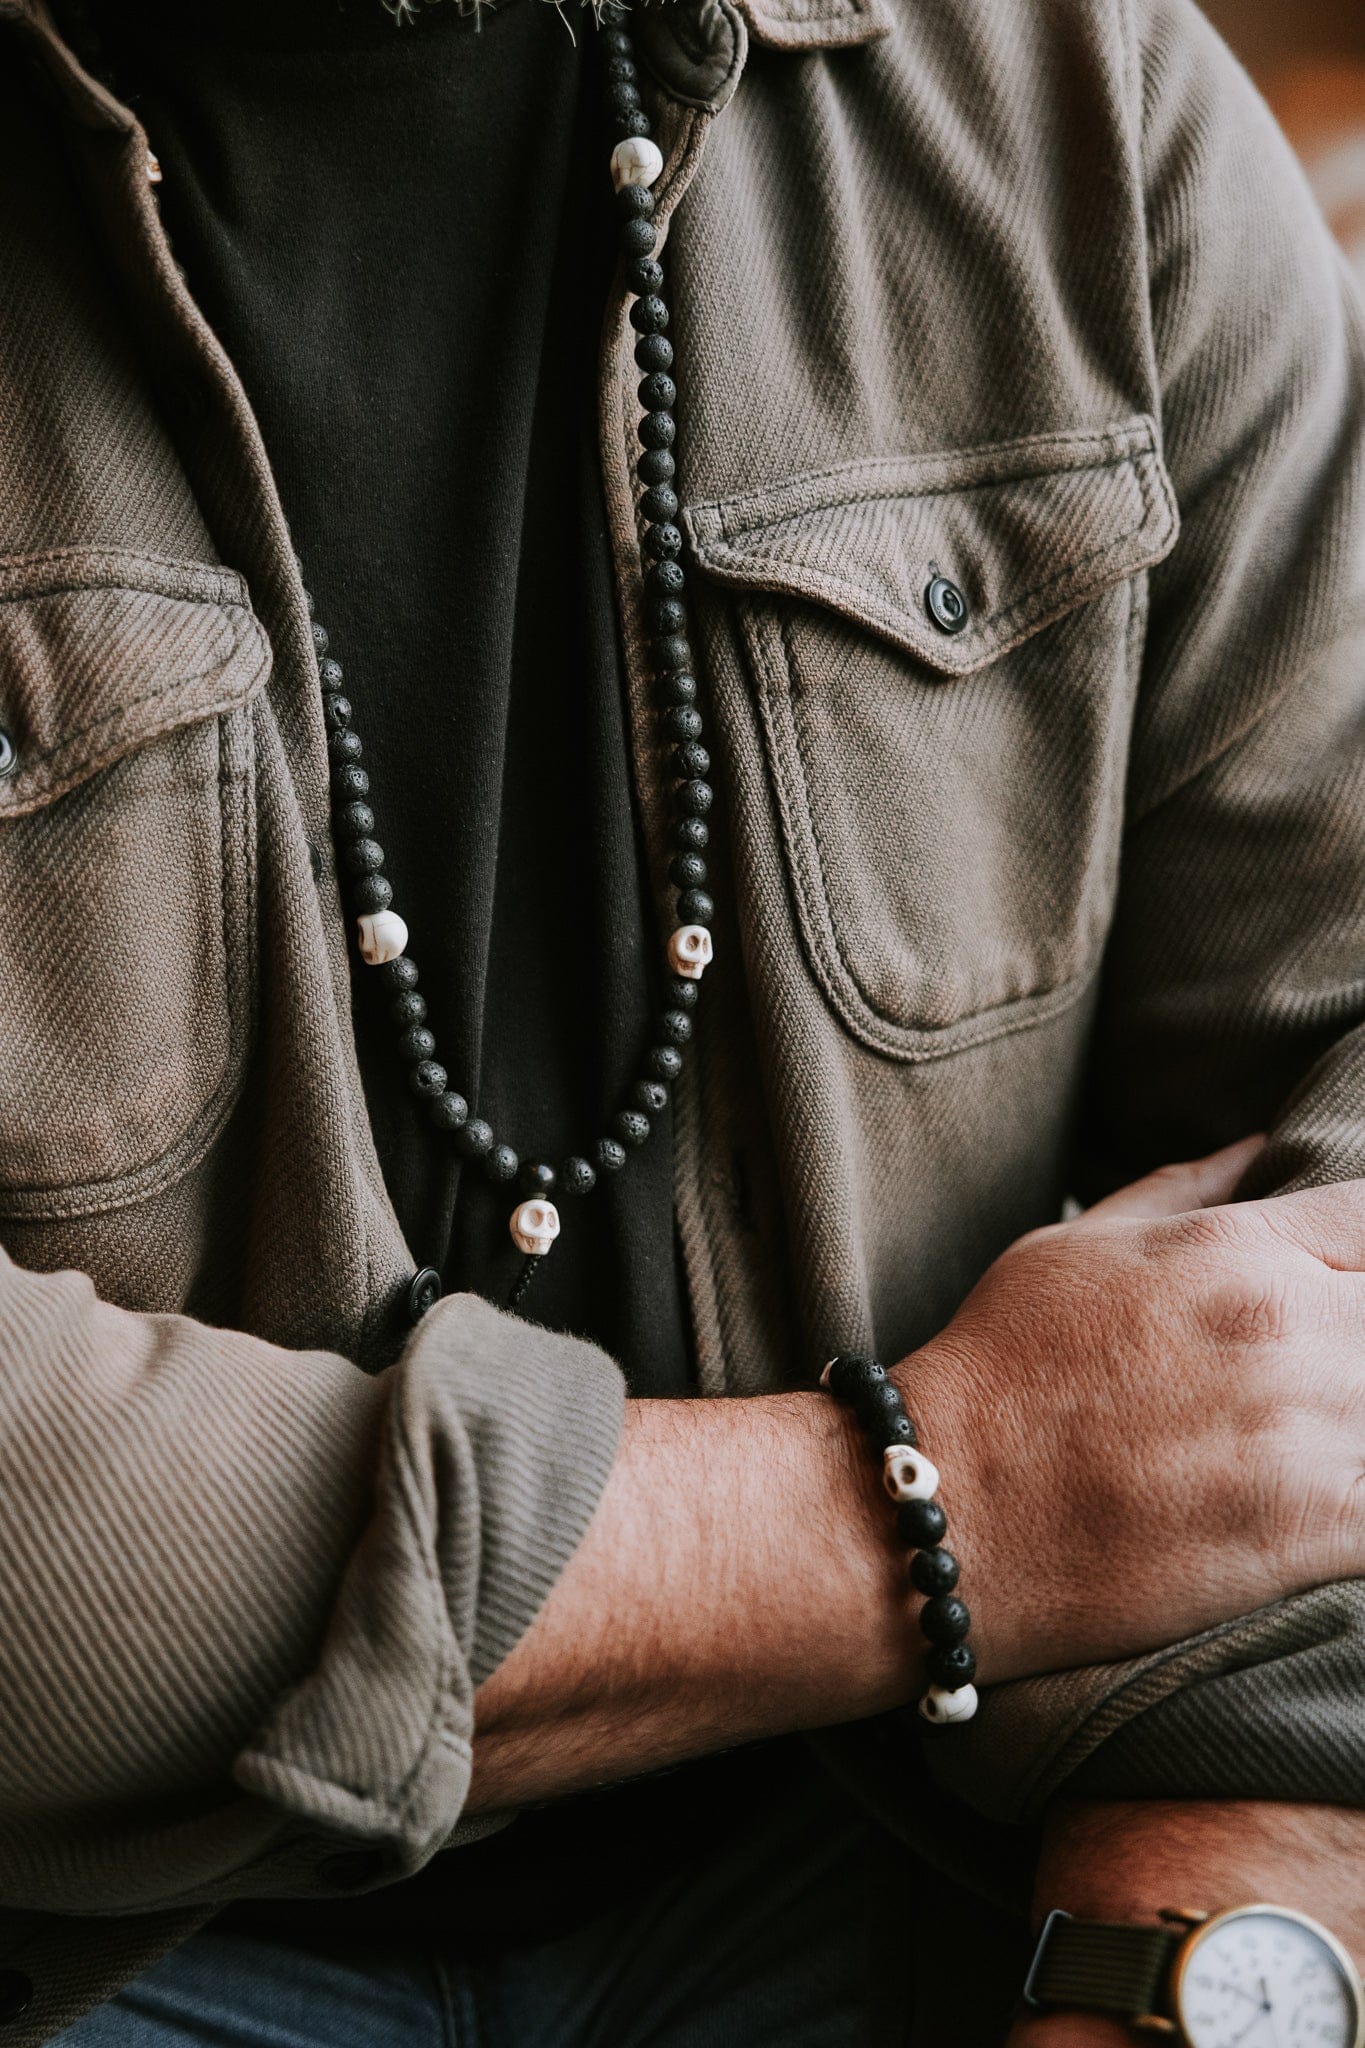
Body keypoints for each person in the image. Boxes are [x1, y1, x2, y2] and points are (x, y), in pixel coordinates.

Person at [1, 0, 1363, 2039]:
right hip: (100, 1935)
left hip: (899, 1837)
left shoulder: (1063, 89)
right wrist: (933, 1502)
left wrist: (1193, 1919)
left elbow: (1332, 1066)